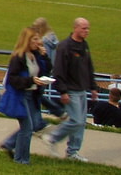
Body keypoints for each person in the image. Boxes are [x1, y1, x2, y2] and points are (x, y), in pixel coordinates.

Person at [42, 17, 98, 162]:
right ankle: (53, 138)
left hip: (82, 89)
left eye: (88, 28)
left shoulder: (84, 45)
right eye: (84, 28)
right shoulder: (65, 46)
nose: (87, 31)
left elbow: (88, 66)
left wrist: (93, 87)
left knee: (80, 123)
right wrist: (62, 91)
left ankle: (73, 152)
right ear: (76, 28)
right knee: (77, 121)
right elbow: (59, 70)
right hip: (70, 90)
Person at [0, 26, 45, 164]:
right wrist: (30, 80)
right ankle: (21, 159)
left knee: (30, 127)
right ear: (27, 40)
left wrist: (44, 56)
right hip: (20, 96)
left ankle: (20, 156)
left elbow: (44, 70)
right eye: (35, 39)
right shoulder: (18, 57)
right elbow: (12, 79)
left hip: (31, 96)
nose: (39, 42)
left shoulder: (34, 55)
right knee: (27, 128)